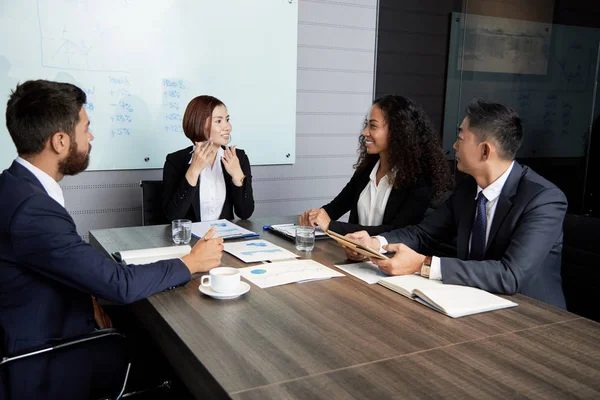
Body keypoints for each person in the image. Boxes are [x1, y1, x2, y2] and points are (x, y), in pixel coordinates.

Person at [0, 80, 224, 399]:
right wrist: (191, 262)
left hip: (41, 324)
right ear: (60, 141)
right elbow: (119, 284)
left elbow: (60, 261)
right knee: (178, 360)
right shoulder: (33, 210)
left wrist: (90, 298)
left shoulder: (15, 186)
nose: (91, 137)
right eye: (86, 128)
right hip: (45, 358)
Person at [344, 99, 568, 308]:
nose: (454, 146)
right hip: (472, 302)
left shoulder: (543, 200)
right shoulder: (467, 189)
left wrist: (425, 264)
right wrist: (375, 243)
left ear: (485, 150)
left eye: (460, 138)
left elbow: (510, 275)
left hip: (534, 316)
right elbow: (423, 233)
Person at [299, 95, 453, 235]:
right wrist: (316, 216)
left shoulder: (420, 178)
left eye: (373, 126)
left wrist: (332, 227)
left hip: (390, 262)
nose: (365, 132)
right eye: (366, 125)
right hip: (354, 258)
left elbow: (398, 231)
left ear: (398, 132)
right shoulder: (367, 168)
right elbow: (337, 206)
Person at [162, 95, 254, 222]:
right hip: (192, 239)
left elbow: (245, 213)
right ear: (199, 124)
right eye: (219, 121)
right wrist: (193, 171)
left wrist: (238, 177)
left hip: (224, 238)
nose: (228, 127)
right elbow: (173, 217)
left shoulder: (238, 158)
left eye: (227, 119)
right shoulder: (175, 161)